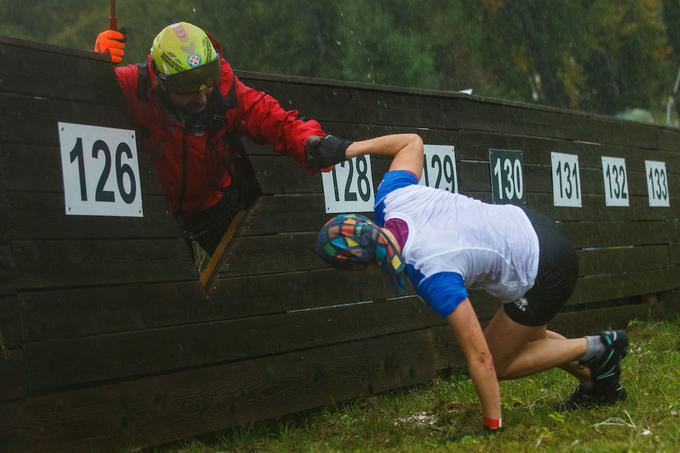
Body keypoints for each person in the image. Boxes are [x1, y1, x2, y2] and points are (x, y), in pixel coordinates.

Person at [310, 134, 628, 432]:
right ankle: (599, 384)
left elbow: (480, 358)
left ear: (359, 268)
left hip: (545, 266)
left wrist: (492, 427)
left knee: (499, 358)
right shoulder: (391, 198)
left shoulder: (430, 271)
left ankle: (600, 347)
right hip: (534, 226)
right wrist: (346, 149)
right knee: (528, 336)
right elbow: (411, 142)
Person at [94, 22, 350, 258]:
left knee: (253, 275)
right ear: (162, 82)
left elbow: (269, 116)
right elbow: (82, 95)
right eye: (188, 90)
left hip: (217, 205)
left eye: (207, 83)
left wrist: (308, 140)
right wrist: (95, 65)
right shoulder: (132, 85)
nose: (202, 98)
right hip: (157, 211)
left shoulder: (225, 88)